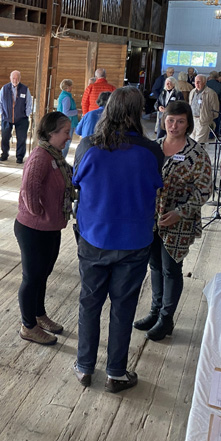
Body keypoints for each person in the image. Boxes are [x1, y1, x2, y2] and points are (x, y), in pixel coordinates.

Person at [72, 86, 164, 393]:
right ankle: (115, 372)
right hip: (134, 240)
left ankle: (84, 366)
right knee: (123, 307)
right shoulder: (152, 151)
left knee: (89, 302)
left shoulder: (87, 146)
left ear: (107, 110)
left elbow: (77, 182)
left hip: (94, 236)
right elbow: (156, 183)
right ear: (138, 113)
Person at [133, 101, 211, 341]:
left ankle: (167, 318)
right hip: (151, 219)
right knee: (154, 265)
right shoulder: (153, 148)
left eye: (180, 121)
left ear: (188, 124)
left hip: (179, 221)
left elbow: (205, 190)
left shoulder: (197, 153)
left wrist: (180, 212)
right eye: (170, 120)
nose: (174, 125)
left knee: (171, 268)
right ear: (163, 120)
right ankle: (155, 311)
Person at [14, 112, 75, 345]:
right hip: (33, 228)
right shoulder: (40, 156)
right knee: (32, 277)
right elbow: (29, 190)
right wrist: (40, 214)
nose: (69, 137)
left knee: (42, 274)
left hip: (50, 227)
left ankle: (39, 315)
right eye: (66, 132)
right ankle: (28, 326)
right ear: (51, 133)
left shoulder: (55, 156)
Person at [0, 70, 32, 164]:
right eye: (13, 78)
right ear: (10, 78)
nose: (15, 80)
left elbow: (29, 103)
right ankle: (4, 154)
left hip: (22, 119)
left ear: (19, 79)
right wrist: (2, 113)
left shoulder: (25, 89)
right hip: (7, 118)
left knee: (21, 138)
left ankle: (19, 157)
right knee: (5, 137)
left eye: (17, 78)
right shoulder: (4, 88)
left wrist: (26, 114)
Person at [189, 74, 219, 143]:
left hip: (203, 120)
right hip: (192, 119)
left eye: (199, 81)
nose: (196, 83)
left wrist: (209, 118)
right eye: (195, 81)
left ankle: (199, 154)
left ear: (204, 82)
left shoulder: (211, 93)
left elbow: (215, 109)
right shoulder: (192, 92)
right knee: (191, 141)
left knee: (199, 142)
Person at [56, 79, 79, 158]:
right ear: (67, 87)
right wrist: (77, 111)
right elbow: (66, 112)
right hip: (68, 122)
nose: (72, 87)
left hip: (63, 121)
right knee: (66, 142)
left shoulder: (63, 95)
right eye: (71, 86)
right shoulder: (67, 98)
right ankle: (62, 159)